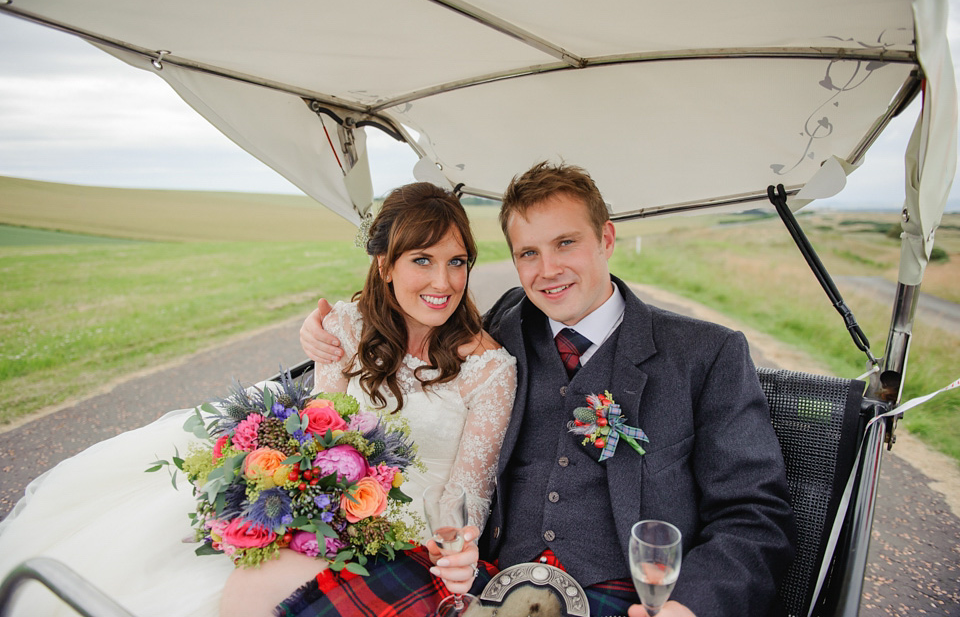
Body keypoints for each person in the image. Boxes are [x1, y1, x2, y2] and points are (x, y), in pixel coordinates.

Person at [300, 162, 796, 617]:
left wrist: (691, 606)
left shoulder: (706, 354)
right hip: (492, 585)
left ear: (606, 238)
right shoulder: (504, 331)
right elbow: (415, 320)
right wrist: (327, 331)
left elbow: (755, 515)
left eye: (566, 243)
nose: (548, 270)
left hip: (627, 599)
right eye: (528, 253)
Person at [0, 183, 517, 617]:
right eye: (421, 260)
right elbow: (320, 430)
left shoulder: (489, 369)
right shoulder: (345, 326)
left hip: (409, 538)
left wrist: (447, 545)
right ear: (385, 265)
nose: (443, 282)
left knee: (255, 592)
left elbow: (468, 493)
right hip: (322, 511)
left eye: (457, 262)